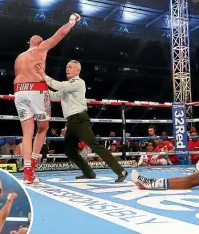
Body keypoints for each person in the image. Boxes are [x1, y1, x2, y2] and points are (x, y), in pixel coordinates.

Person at [14, 13, 81, 183]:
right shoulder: (40, 48)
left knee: (27, 133)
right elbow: (59, 35)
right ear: (38, 42)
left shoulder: (19, 58)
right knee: (43, 128)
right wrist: (71, 22)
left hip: (19, 92)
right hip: (36, 90)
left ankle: (27, 172)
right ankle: (33, 166)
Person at [34, 60, 128, 182]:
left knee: (94, 145)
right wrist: (40, 86)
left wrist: (43, 74)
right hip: (71, 121)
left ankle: (121, 170)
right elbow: (54, 96)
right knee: (69, 151)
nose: (67, 69)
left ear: (78, 71)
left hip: (79, 119)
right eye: (67, 66)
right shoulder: (67, 86)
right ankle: (88, 172)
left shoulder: (78, 83)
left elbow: (58, 85)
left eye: (71, 67)